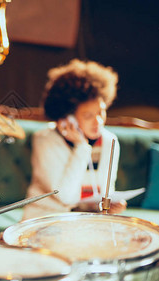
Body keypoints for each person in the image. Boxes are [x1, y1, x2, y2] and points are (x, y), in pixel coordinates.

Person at [22, 59, 126, 220]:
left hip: (87, 223)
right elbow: (66, 197)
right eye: (88, 116)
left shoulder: (109, 141)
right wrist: (81, 147)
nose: (98, 121)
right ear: (68, 117)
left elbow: (104, 192)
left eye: (101, 112)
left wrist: (109, 205)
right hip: (46, 220)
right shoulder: (45, 140)